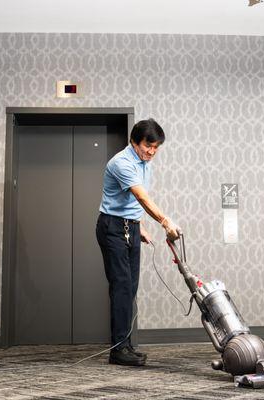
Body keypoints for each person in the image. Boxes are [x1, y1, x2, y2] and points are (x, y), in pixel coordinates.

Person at [96, 118, 180, 366]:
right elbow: (141, 196)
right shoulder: (122, 162)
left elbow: (131, 202)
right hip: (111, 228)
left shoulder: (144, 162)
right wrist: (165, 221)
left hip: (129, 227)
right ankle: (118, 350)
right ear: (134, 141)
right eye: (148, 146)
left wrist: (139, 225)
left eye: (156, 148)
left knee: (130, 288)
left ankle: (125, 345)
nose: (152, 152)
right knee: (121, 287)